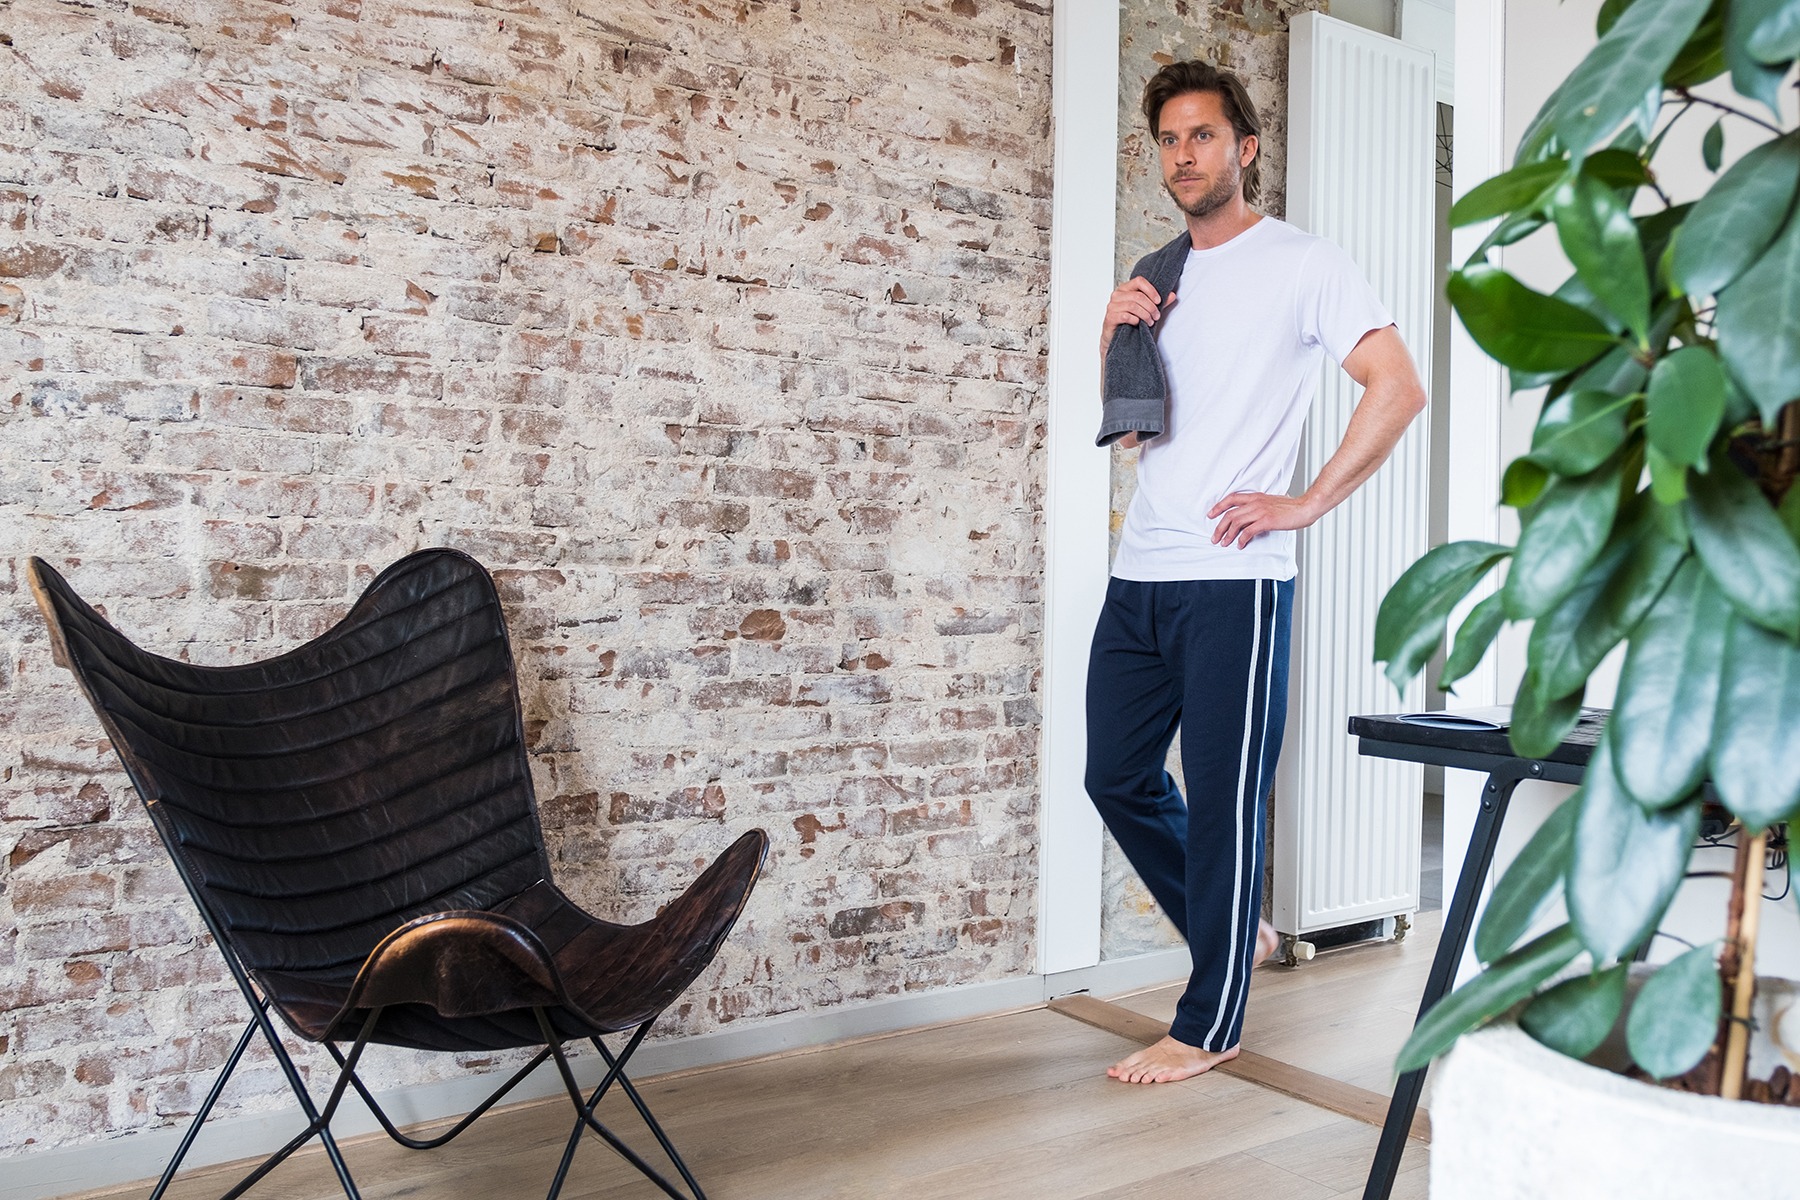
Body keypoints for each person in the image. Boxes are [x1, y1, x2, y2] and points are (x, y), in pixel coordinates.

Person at [1088, 60, 1428, 1085]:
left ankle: (1210, 1024)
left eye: (1203, 135)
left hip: (1236, 581)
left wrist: (1307, 501)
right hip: (1143, 570)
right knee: (1116, 776)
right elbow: (1133, 430)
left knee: (1226, 805)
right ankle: (1241, 930)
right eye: (1169, 139)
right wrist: (1113, 332)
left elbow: (1396, 385)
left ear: (1245, 148)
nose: (1183, 155)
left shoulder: (1302, 264)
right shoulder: (1159, 276)